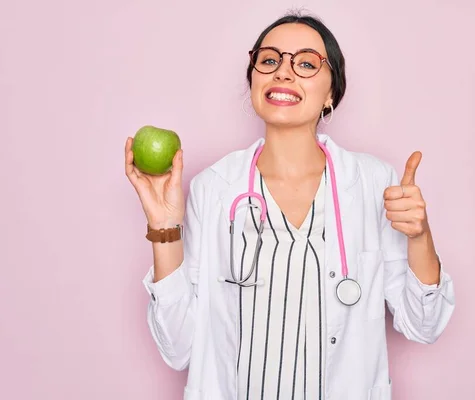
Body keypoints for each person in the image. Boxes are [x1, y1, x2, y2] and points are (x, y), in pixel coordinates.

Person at [125, 12, 455, 400]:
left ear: (332, 93)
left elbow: (424, 325)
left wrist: (420, 236)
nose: (283, 72)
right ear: (254, 80)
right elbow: (178, 348)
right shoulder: (214, 187)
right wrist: (164, 228)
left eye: (305, 63)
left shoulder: (373, 184)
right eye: (269, 60)